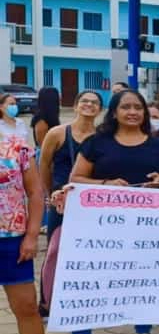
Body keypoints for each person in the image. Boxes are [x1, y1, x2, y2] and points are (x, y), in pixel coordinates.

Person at [68, 89, 159, 334]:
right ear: (114, 112)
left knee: (142, 279)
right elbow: (77, 178)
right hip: (101, 229)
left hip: (145, 228)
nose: (132, 112)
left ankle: (144, 331)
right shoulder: (96, 143)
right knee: (92, 281)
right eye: (126, 107)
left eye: (137, 107)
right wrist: (106, 185)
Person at [1, 124, 64, 334]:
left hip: (11, 239)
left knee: (27, 306)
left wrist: (31, 235)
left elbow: (35, 193)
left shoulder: (16, 146)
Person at [40, 90, 103, 242]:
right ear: (75, 106)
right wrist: (48, 194)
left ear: (100, 109)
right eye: (84, 101)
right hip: (61, 200)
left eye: (94, 102)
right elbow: (44, 165)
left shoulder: (102, 137)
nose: (89, 104)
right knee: (57, 247)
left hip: (91, 201)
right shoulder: (56, 133)